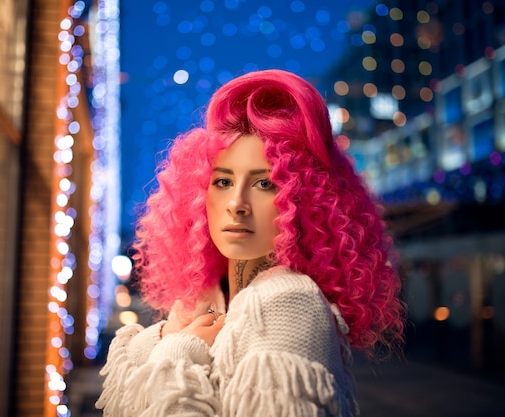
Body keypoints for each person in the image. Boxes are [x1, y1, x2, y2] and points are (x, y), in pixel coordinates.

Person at [96, 69, 405, 416]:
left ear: (303, 201)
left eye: (265, 184)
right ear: (197, 195)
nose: (236, 203)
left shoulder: (289, 303)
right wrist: (167, 337)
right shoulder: (200, 303)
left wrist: (177, 352)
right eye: (223, 182)